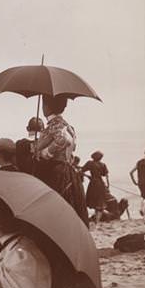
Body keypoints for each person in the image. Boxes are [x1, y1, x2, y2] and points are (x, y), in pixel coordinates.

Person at [34, 95, 88, 225]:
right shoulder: (68, 126)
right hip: (67, 171)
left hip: (55, 172)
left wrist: (45, 153)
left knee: (54, 209)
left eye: (44, 104)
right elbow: (72, 146)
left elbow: (63, 140)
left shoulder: (56, 124)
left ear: (47, 107)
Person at [81, 151, 110, 223]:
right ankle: (97, 221)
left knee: (94, 201)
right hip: (101, 184)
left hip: (93, 183)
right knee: (99, 203)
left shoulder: (90, 163)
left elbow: (81, 171)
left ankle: (96, 220)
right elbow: (106, 176)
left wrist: (88, 176)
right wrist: (108, 185)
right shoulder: (103, 165)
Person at [130, 149, 145, 218]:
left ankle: (141, 209)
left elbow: (131, 172)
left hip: (140, 182)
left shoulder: (139, 162)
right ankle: (144, 213)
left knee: (144, 196)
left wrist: (134, 182)